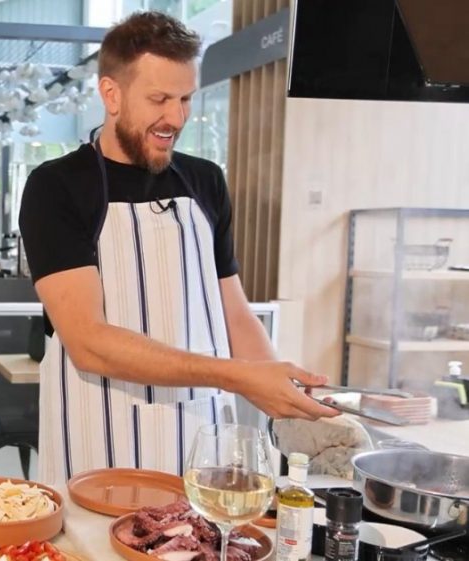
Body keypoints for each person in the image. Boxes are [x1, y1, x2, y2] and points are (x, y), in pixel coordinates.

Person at [18, 12, 337, 484]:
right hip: (100, 443)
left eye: (186, 98)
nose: (177, 117)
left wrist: (287, 396)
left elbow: (234, 314)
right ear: (111, 94)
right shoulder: (57, 187)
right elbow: (88, 343)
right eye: (160, 99)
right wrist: (235, 376)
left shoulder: (205, 181)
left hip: (201, 442)